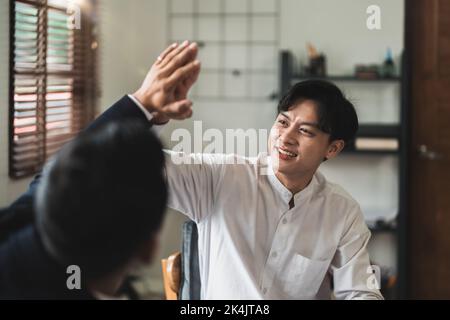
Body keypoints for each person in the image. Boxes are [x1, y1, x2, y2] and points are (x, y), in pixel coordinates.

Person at [0, 41, 200, 299]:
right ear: (149, 249)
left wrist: (143, 104)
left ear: (51, 204)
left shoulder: (10, 236)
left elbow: (60, 175)